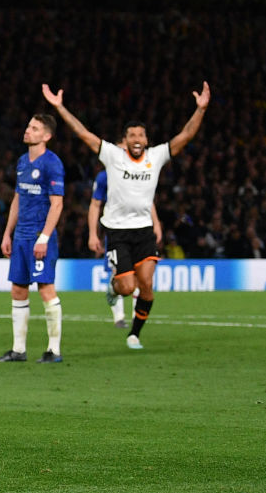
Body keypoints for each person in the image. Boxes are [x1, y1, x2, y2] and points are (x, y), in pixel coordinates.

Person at [43, 81, 210, 349]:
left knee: (146, 285)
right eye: (131, 135)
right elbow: (83, 133)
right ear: (125, 140)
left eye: (141, 135)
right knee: (126, 288)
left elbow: (185, 136)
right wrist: (59, 107)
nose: (136, 139)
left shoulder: (155, 157)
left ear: (146, 140)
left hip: (143, 231)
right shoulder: (113, 156)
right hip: (118, 232)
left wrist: (200, 109)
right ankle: (114, 285)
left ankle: (134, 334)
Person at [0, 114, 65, 364]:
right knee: (18, 289)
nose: (27, 131)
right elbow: (17, 199)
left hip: (38, 235)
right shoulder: (23, 161)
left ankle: (53, 350)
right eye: (28, 126)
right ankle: (18, 350)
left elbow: (57, 204)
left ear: (46, 136)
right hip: (21, 235)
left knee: (45, 289)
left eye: (34, 128)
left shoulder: (52, 163)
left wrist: (44, 237)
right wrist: (7, 233)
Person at [87, 167, 162, 328]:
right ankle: (119, 317)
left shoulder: (138, 171)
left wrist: (155, 223)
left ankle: (136, 316)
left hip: (140, 231)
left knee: (140, 276)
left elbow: (147, 201)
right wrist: (93, 234)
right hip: (117, 232)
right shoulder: (105, 176)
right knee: (121, 275)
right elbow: (95, 204)